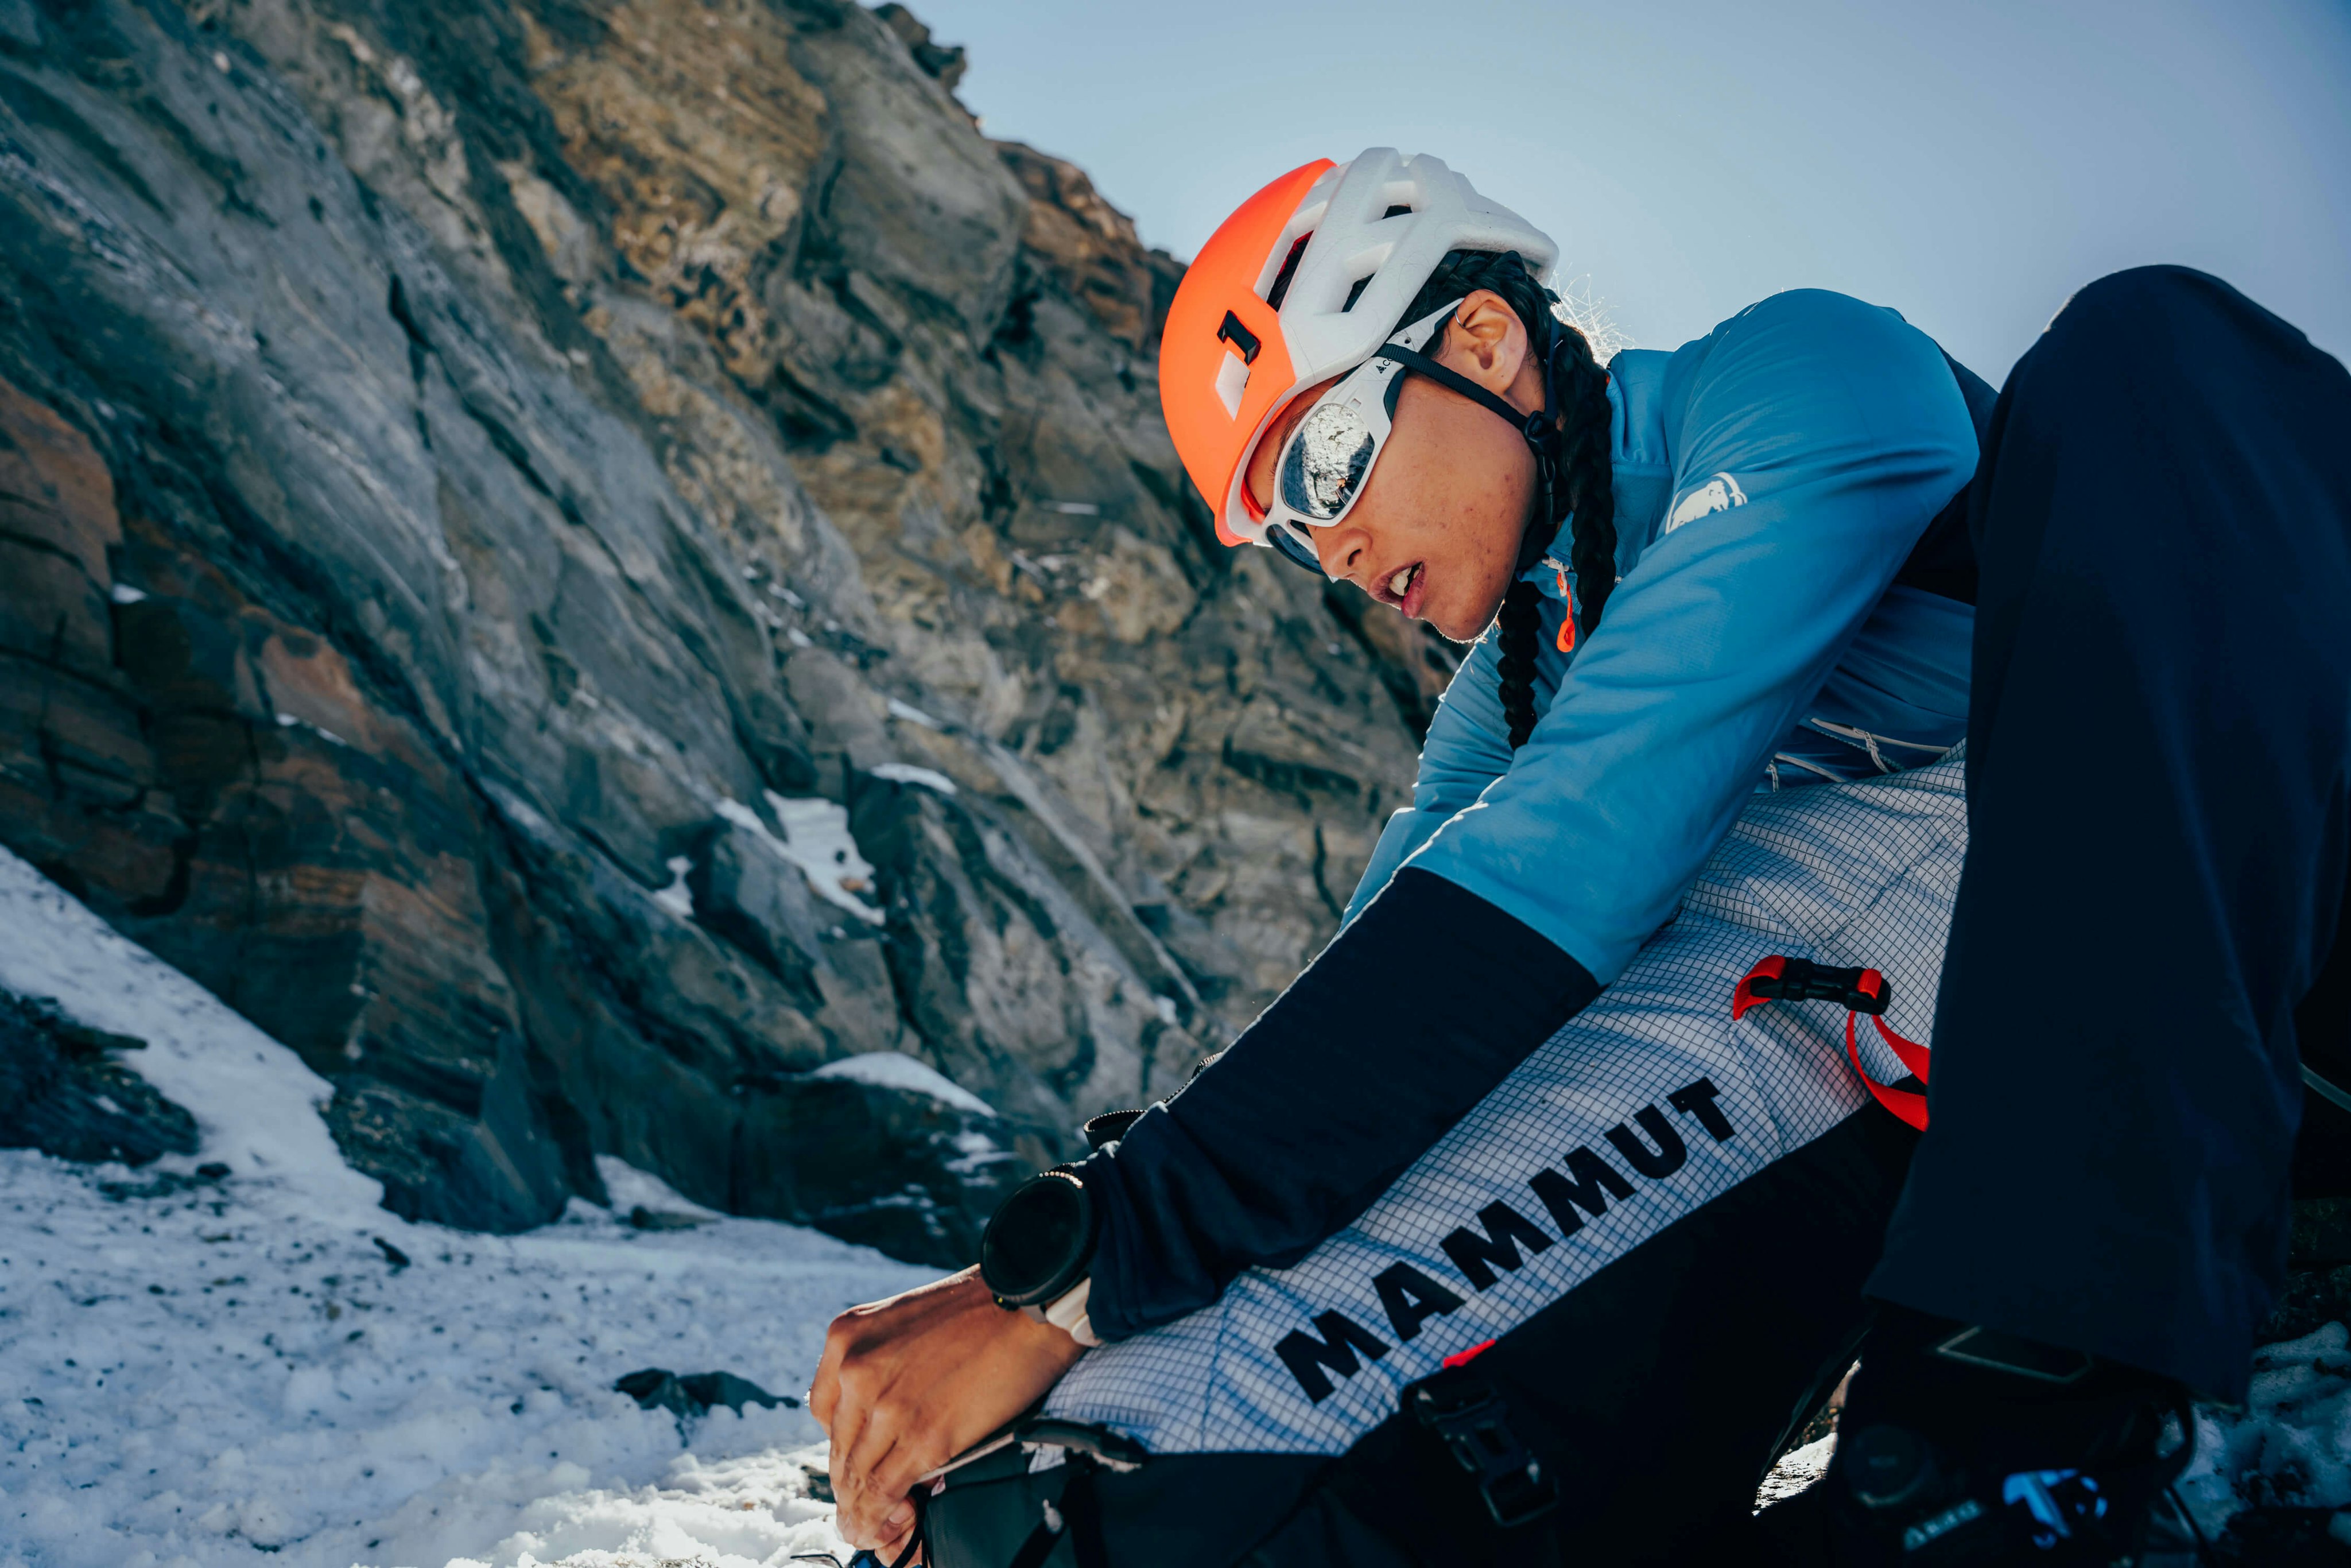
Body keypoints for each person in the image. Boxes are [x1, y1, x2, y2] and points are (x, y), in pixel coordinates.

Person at [809, 149, 2351, 1566]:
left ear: (1480, 342)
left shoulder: (1799, 377)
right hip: (2022, 1057)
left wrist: (1077, 1271)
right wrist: (1080, 1320)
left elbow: (1570, 864)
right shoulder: (1512, 688)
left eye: (1331, 457)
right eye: (1287, 529)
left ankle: (2037, 1414)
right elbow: (1384, 1008)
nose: (1330, 551)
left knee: (2149, 357)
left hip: (2291, 923)